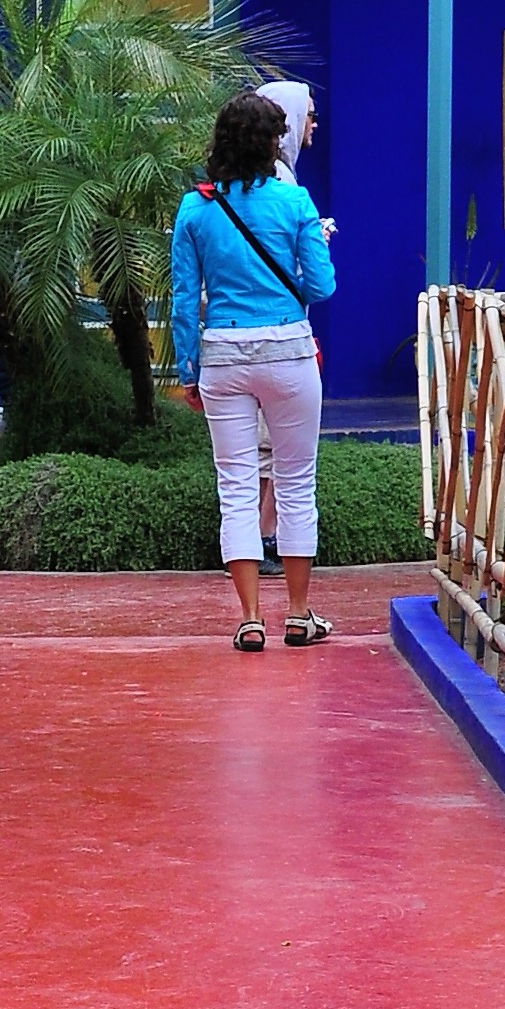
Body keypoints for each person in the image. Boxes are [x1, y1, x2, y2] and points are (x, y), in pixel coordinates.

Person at [171, 91, 337, 650]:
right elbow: (321, 287)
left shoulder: (196, 208)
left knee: (236, 487)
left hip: (221, 354)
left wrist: (188, 370)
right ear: (272, 143)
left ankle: (248, 617)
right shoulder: (295, 203)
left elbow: (181, 300)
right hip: (289, 350)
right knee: (296, 484)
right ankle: (297, 612)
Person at [254, 80, 330, 574]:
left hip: (235, 338)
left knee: (258, 450)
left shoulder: (246, 184)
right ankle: (270, 540)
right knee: (285, 448)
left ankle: (257, 541)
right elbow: (317, 282)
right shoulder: (284, 185)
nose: (314, 125)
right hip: (281, 333)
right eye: (308, 114)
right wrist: (316, 239)